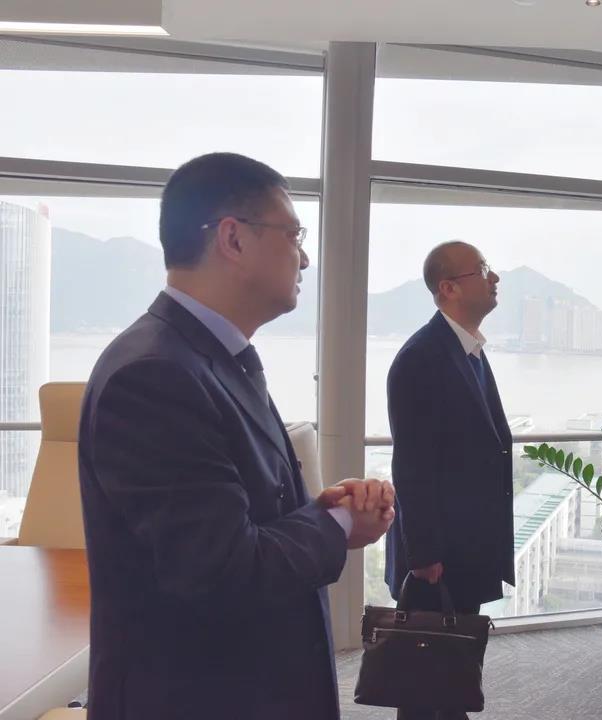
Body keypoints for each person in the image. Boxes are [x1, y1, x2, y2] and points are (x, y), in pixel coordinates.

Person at [77, 152, 394, 720]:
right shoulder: (155, 376)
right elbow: (223, 570)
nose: (304, 256)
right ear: (233, 238)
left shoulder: (206, 356)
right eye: (293, 234)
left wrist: (315, 509)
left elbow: (240, 518)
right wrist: (341, 524)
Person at [385, 241, 515, 720]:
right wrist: (424, 554)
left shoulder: (467, 349)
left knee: (453, 663)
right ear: (449, 288)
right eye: (483, 269)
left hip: (467, 544)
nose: (494, 278)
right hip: (439, 554)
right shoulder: (422, 357)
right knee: (425, 673)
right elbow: (412, 463)